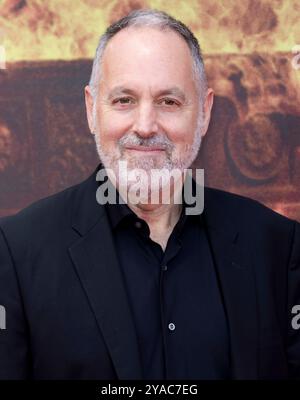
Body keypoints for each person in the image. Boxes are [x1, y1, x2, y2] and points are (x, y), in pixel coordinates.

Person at [0, 9, 299, 380]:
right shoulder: (16, 250)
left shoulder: (276, 245)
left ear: (204, 113)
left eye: (168, 102)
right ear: (92, 110)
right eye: (124, 100)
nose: (145, 127)